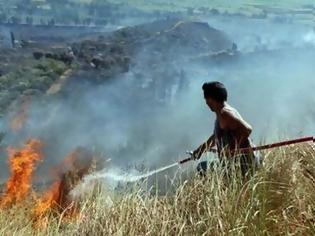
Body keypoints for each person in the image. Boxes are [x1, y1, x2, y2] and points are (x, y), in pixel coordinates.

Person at [192, 81, 255, 177]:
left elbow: (247, 129)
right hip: (234, 163)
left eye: (206, 99)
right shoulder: (222, 113)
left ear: (211, 99)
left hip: (242, 165)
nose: (206, 103)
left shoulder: (225, 113)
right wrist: (201, 150)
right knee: (204, 166)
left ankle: (225, 188)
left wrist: (233, 149)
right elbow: (216, 137)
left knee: (202, 167)